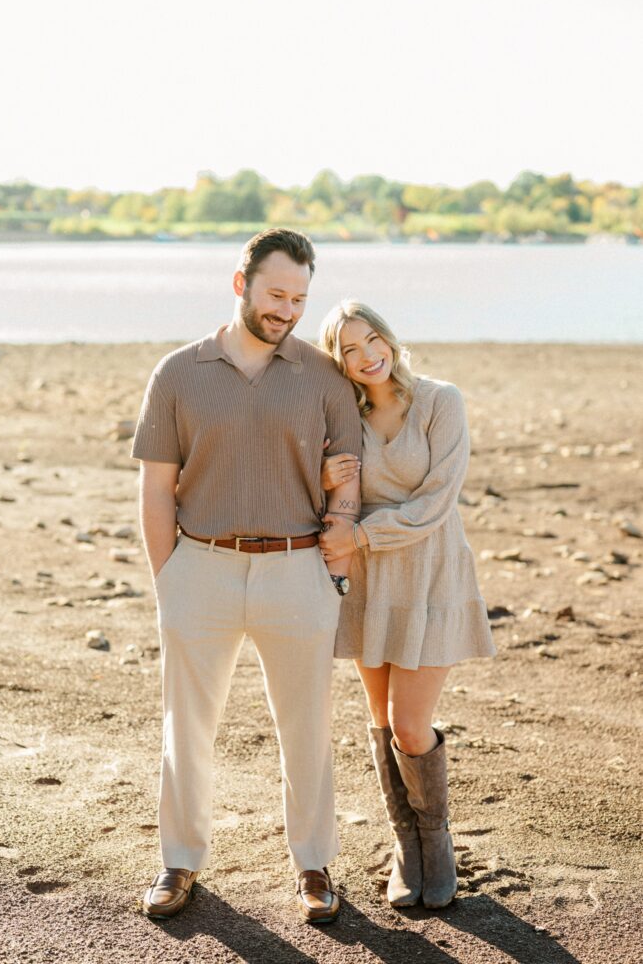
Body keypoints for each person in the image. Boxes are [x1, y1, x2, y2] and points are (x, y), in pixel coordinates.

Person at [131, 229, 362, 924]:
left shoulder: (325, 376)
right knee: (186, 727)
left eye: (299, 299)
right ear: (241, 284)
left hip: (297, 569)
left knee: (306, 728)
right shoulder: (178, 373)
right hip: (200, 568)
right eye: (275, 294)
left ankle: (314, 864)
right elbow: (156, 489)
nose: (287, 310)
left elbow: (348, 484)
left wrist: (332, 570)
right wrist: (169, 580)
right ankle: (179, 861)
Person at [317, 300, 495, 910]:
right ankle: (405, 846)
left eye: (372, 339)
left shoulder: (441, 400)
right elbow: (330, 496)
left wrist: (363, 534)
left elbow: (438, 500)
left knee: (411, 724)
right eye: (349, 349)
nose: (367, 355)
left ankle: (436, 841)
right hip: (371, 584)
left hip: (431, 573)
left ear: (388, 339)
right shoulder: (345, 418)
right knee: (381, 717)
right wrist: (323, 482)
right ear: (338, 361)